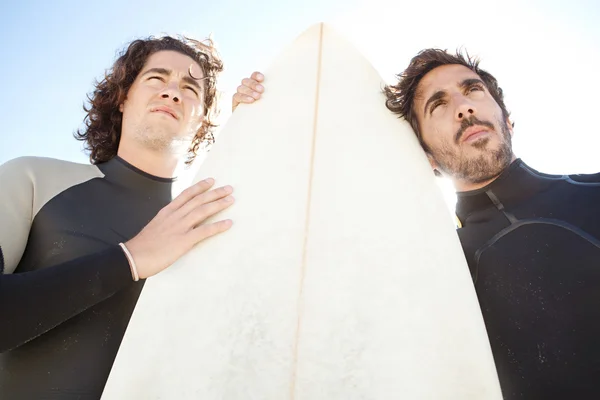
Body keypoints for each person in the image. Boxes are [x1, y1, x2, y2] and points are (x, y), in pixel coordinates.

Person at [234, 50, 600, 399]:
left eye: (472, 89)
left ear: (507, 118)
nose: (464, 107)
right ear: (425, 157)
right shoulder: (431, 268)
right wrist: (252, 136)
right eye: (438, 104)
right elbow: (288, 290)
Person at [0, 35, 235, 399]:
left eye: (190, 88)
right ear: (123, 97)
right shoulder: (34, 179)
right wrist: (131, 258)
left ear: (202, 120)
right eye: (156, 78)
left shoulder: (209, 227)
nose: (173, 92)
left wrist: (259, 120)